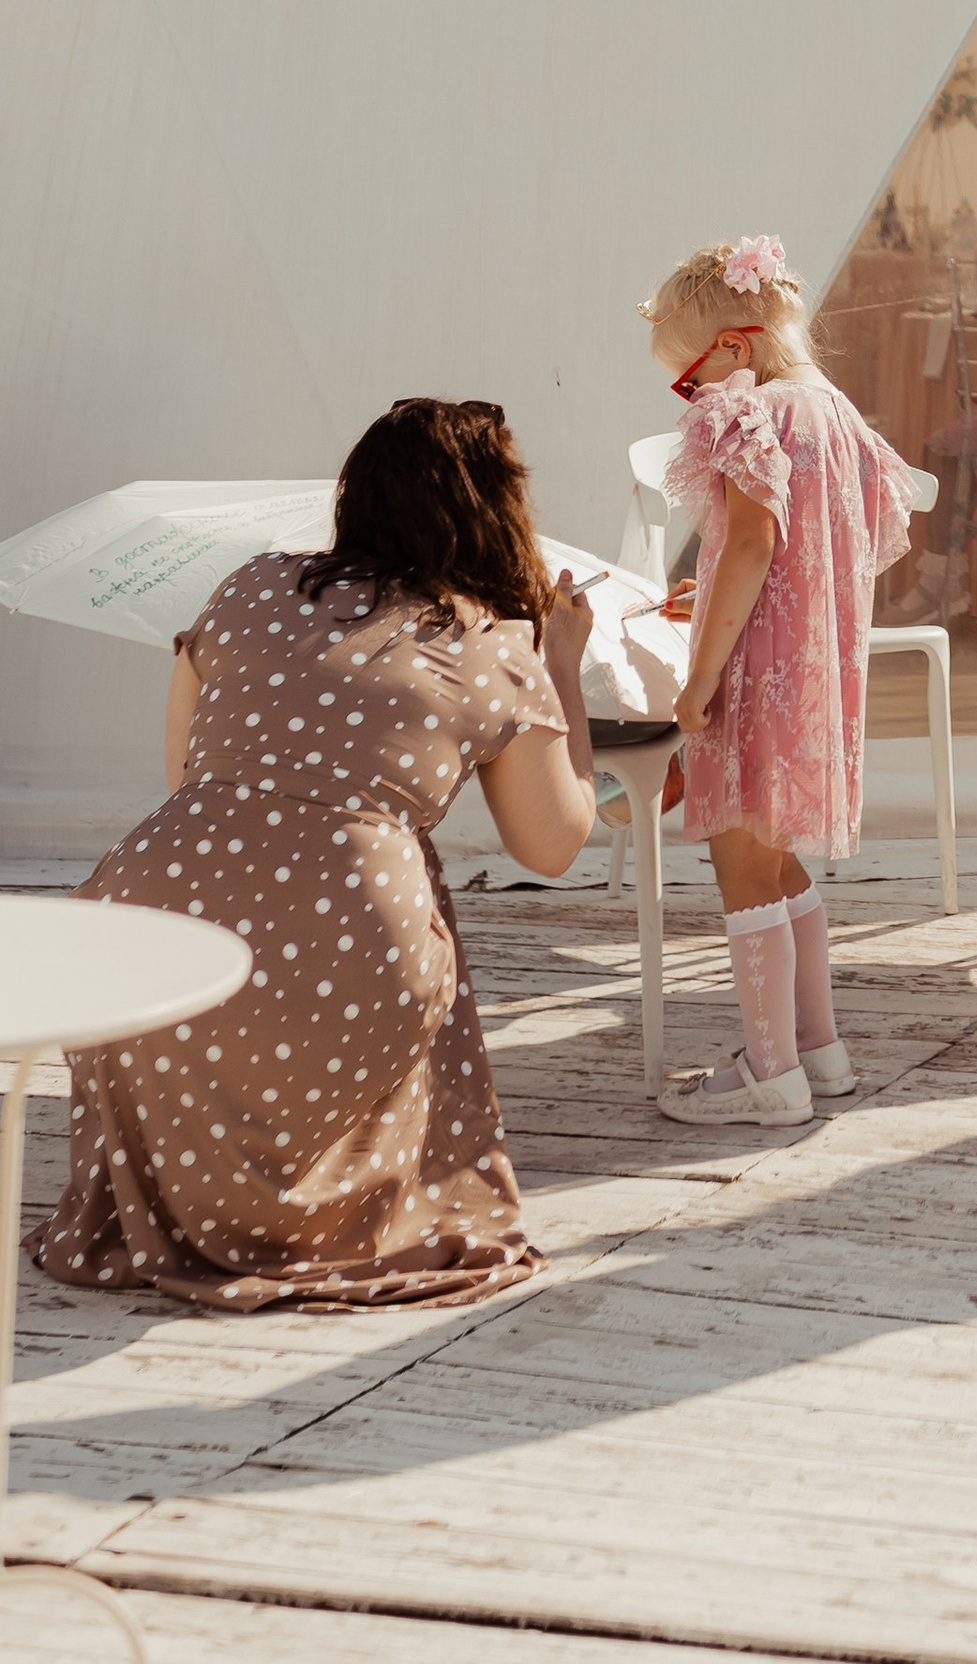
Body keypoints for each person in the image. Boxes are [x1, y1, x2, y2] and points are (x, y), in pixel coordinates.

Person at [34, 400, 597, 1310]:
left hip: (151, 917)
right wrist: (561, 661)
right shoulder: (489, 644)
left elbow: (187, 770)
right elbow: (555, 843)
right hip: (347, 938)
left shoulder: (252, 586)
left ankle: (183, 1215)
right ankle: (290, 1226)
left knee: (188, 1034)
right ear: (497, 512)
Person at [648, 233, 914, 1128]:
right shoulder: (837, 412)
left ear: (733, 346)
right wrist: (724, 577)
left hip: (756, 674)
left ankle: (769, 1077)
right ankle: (819, 1050)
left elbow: (757, 538)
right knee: (779, 855)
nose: (688, 397)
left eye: (686, 380)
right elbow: (834, 540)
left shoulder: (747, 410)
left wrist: (702, 676)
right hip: (813, 670)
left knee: (739, 861)